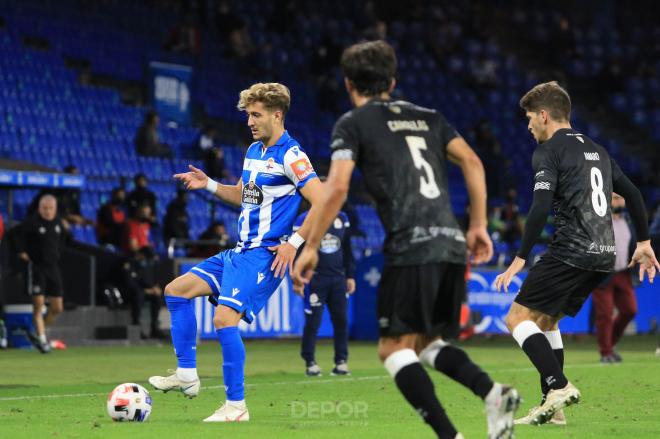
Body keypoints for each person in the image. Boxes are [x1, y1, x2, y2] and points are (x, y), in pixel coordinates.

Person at [292, 41, 519, 439]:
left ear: (348, 84)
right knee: (425, 342)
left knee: (393, 349)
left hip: (411, 244)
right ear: (392, 81)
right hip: (450, 243)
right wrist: (478, 224)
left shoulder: (352, 123)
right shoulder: (429, 117)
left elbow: (338, 187)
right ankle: (492, 393)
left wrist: (309, 244)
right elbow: (472, 160)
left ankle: (451, 435)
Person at [148, 83, 324, 423]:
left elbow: (322, 199)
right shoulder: (254, 151)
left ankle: (236, 406)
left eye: (256, 115)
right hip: (238, 252)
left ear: (277, 115)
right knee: (176, 292)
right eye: (248, 115)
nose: (250, 122)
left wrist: (294, 244)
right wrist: (210, 184)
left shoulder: (292, 155)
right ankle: (186, 374)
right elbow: (245, 196)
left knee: (224, 319)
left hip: (263, 256)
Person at [494, 81, 659, 426]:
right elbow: (634, 194)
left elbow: (539, 208)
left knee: (516, 319)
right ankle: (553, 409)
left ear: (544, 115)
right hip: (604, 256)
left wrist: (519, 258)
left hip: (571, 249)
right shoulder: (598, 149)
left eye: (529, 118)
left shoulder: (549, 151)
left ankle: (558, 385)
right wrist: (644, 243)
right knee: (547, 321)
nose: (527, 126)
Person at [294, 207, 356, 377]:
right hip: (314, 279)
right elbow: (297, 250)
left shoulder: (342, 217)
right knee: (313, 322)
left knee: (341, 321)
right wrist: (297, 277)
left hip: (338, 279)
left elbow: (348, 249)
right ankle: (310, 362)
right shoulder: (303, 218)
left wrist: (350, 275)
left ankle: (341, 361)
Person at [15, 195, 71, 353]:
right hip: (37, 268)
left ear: (55, 209)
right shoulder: (31, 223)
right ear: (39, 208)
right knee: (38, 306)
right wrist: (22, 252)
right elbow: (17, 237)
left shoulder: (59, 224)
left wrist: (58, 254)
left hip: (53, 268)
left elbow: (63, 242)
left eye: (50, 208)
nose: (47, 211)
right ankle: (42, 340)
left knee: (57, 308)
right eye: (44, 208)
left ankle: (38, 332)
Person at [592, 193, 638, 363]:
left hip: (623, 272)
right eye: (615, 197)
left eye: (620, 198)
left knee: (630, 310)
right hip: (602, 273)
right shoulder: (599, 221)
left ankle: (610, 344)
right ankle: (606, 353)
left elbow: (634, 246)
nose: (619, 201)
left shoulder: (628, 221)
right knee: (605, 313)